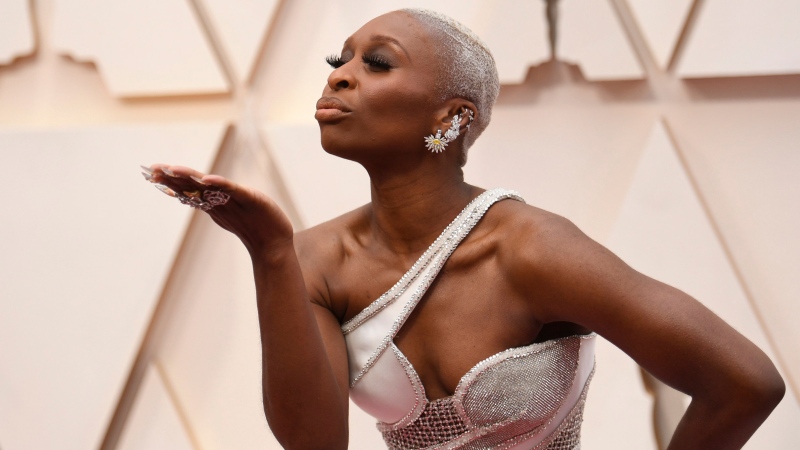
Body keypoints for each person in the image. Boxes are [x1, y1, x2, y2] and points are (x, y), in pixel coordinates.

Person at [142, 8, 785, 450]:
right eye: (340, 60)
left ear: (450, 118)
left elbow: (744, 383)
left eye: (378, 63)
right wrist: (270, 252)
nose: (339, 75)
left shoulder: (530, 249)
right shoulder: (315, 258)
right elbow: (314, 443)